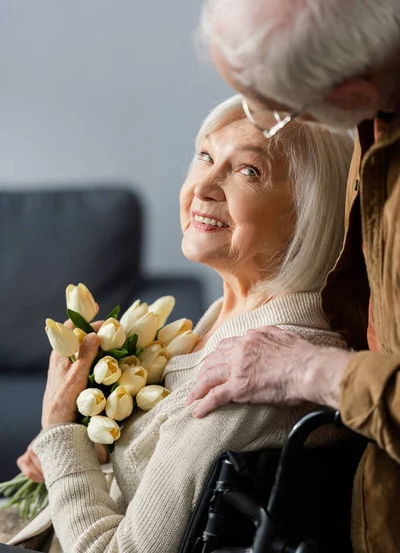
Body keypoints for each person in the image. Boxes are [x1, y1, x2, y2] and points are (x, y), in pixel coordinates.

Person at [7, 95, 353, 552]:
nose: (204, 186)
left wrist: (56, 426)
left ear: (310, 212)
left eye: (249, 171)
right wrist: (79, 455)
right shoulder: (225, 324)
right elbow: (163, 473)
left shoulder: (250, 377)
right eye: (206, 156)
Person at [188, 0, 400, 551]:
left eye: (276, 110)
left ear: (354, 91)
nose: (253, 120)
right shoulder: (375, 104)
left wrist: (310, 371)